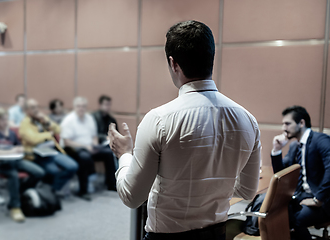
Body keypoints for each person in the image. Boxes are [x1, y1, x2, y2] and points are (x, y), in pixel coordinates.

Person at [108, 20, 261, 240]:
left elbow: (132, 197)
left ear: (173, 63)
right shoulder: (248, 120)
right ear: (211, 59)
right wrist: (212, 190)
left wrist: (124, 155)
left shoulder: (158, 120)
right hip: (217, 234)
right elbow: (247, 191)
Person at [271, 106, 330, 240]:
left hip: (324, 200)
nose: (283, 128)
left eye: (287, 123)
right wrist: (276, 150)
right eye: (283, 124)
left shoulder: (320, 140)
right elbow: (281, 174)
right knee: (277, 212)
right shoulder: (295, 146)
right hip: (302, 195)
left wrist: (318, 199)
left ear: (301, 123)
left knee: (296, 220)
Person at [0, 108, 45, 222]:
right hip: (0, 163)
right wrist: (11, 151)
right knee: (13, 175)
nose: (5, 122)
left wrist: (19, 149)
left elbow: (20, 147)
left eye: (6, 119)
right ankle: (15, 207)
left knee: (39, 172)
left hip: (16, 161)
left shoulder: (12, 133)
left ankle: (17, 194)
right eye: (2, 120)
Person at [61, 97, 117, 200]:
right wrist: (85, 146)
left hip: (90, 147)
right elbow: (67, 142)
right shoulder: (69, 120)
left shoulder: (89, 118)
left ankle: (111, 184)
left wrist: (95, 145)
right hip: (74, 149)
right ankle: (83, 190)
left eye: (83, 106)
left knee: (108, 153)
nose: (81, 108)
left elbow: (94, 136)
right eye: (78, 106)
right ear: (74, 107)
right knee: (85, 157)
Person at [19, 99, 78, 195]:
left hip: (51, 151)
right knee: (53, 171)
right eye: (33, 108)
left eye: (37, 107)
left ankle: (53, 190)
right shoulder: (25, 123)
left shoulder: (41, 119)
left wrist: (46, 121)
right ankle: (49, 191)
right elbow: (33, 139)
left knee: (72, 166)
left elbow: (58, 130)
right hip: (37, 154)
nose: (36, 110)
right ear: (26, 110)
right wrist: (48, 134)